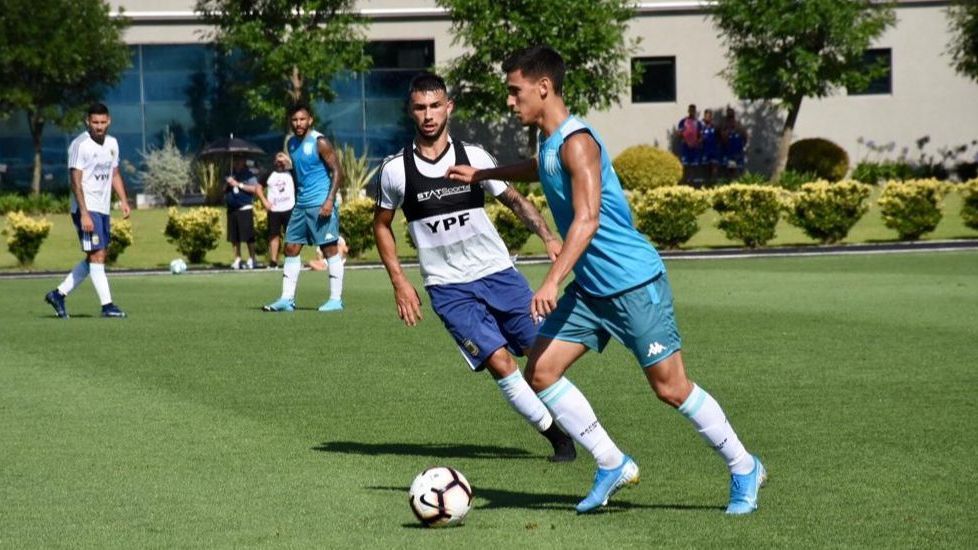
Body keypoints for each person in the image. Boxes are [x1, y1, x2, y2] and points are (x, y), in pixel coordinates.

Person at [447, 46, 765, 515]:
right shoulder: (551, 142)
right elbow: (541, 169)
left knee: (671, 388)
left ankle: (744, 467)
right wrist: (485, 173)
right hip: (593, 289)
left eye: (515, 92)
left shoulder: (579, 141)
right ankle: (611, 462)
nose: (510, 102)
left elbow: (587, 219)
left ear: (543, 87)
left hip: (633, 284)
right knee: (541, 371)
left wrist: (552, 280)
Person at [373, 72, 576, 462]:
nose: (429, 115)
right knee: (501, 363)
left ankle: (586, 431)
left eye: (435, 106)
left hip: (499, 274)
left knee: (542, 358)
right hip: (449, 288)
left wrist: (548, 236)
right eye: (420, 108)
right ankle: (559, 439)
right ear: (410, 112)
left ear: (449, 107)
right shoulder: (395, 170)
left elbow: (515, 200)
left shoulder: (475, 158)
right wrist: (400, 281)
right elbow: (381, 225)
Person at [44, 102, 131, 319]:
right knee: (97, 255)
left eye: (103, 122)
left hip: (102, 208)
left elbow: (115, 173)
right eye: (95, 122)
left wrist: (123, 200)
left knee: (97, 256)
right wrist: (83, 212)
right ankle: (107, 305)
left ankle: (58, 294)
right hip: (86, 207)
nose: (99, 127)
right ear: (87, 122)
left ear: (108, 121)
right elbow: (75, 181)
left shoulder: (112, 143)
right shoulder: (80, 145)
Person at [262, 102, 345, 312]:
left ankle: (336, 300)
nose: (298, 123)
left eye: (302, 119)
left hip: (320, 203)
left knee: (329, 249)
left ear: (310, 120)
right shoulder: (291, 144)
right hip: (301, 204)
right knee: (290, 247)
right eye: (294, 120)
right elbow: (302, 172)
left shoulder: (320, 141)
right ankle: (286, 300)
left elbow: (338, 171)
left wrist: (329, 201)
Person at [255, 152, 296, 268]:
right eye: (278, 158)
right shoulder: (269, 173)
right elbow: (258, 188)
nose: (280, 161)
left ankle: (291, 258)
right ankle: (273, 261)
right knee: (274, 235)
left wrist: (287, 160)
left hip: (289, 207)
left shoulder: (291, 172)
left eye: (282, 158)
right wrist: (264, 201)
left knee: (291, 234)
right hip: (274, 209)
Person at [225, 156, 260, 269]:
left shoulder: (248, 174)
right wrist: (228, 183)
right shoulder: (230, 174)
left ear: (243, 162)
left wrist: (238, 184)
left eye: (239, 161)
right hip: (232, 208)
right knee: (234, 237)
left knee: (248, 236)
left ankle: (252, 258)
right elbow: (222, 189)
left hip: (244, 207)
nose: (236, 163)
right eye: (235, 161)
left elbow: (254, 189)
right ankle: (237, 258)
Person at [677, 104, 702, 184]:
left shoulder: (698, 123)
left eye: (693, 110)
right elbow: (679, 133)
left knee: (694, 165)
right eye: (690, 110)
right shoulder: (683, 121)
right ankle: (684, 180)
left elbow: (701, 135)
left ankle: (692, 181)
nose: (692, 112)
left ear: (695, 111)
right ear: (688, 111)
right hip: (685, 147)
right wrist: (686, 140)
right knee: (685, 165)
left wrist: (697, 142)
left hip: (694, 147)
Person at [720, 107, 748, 180]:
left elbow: (744, 136)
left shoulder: (738, 125)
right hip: (729, 152)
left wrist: (743, 145)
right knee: (730, 169)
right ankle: (730, 182)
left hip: (738, 151)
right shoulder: (724, 125)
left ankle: (739, 182)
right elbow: (722, 137)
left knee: (739, 169)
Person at [700, 109, 721, 186]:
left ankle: (714, 184)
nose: (707, 118)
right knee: (706, 169)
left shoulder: (715, 127)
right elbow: (699, 138)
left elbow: (720, 137)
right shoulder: (702, 127)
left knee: (714, 168)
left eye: (709, 116)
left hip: (714, 150)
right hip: (705, 151)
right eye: (706, 116)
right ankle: (707, 185)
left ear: (711, 117)